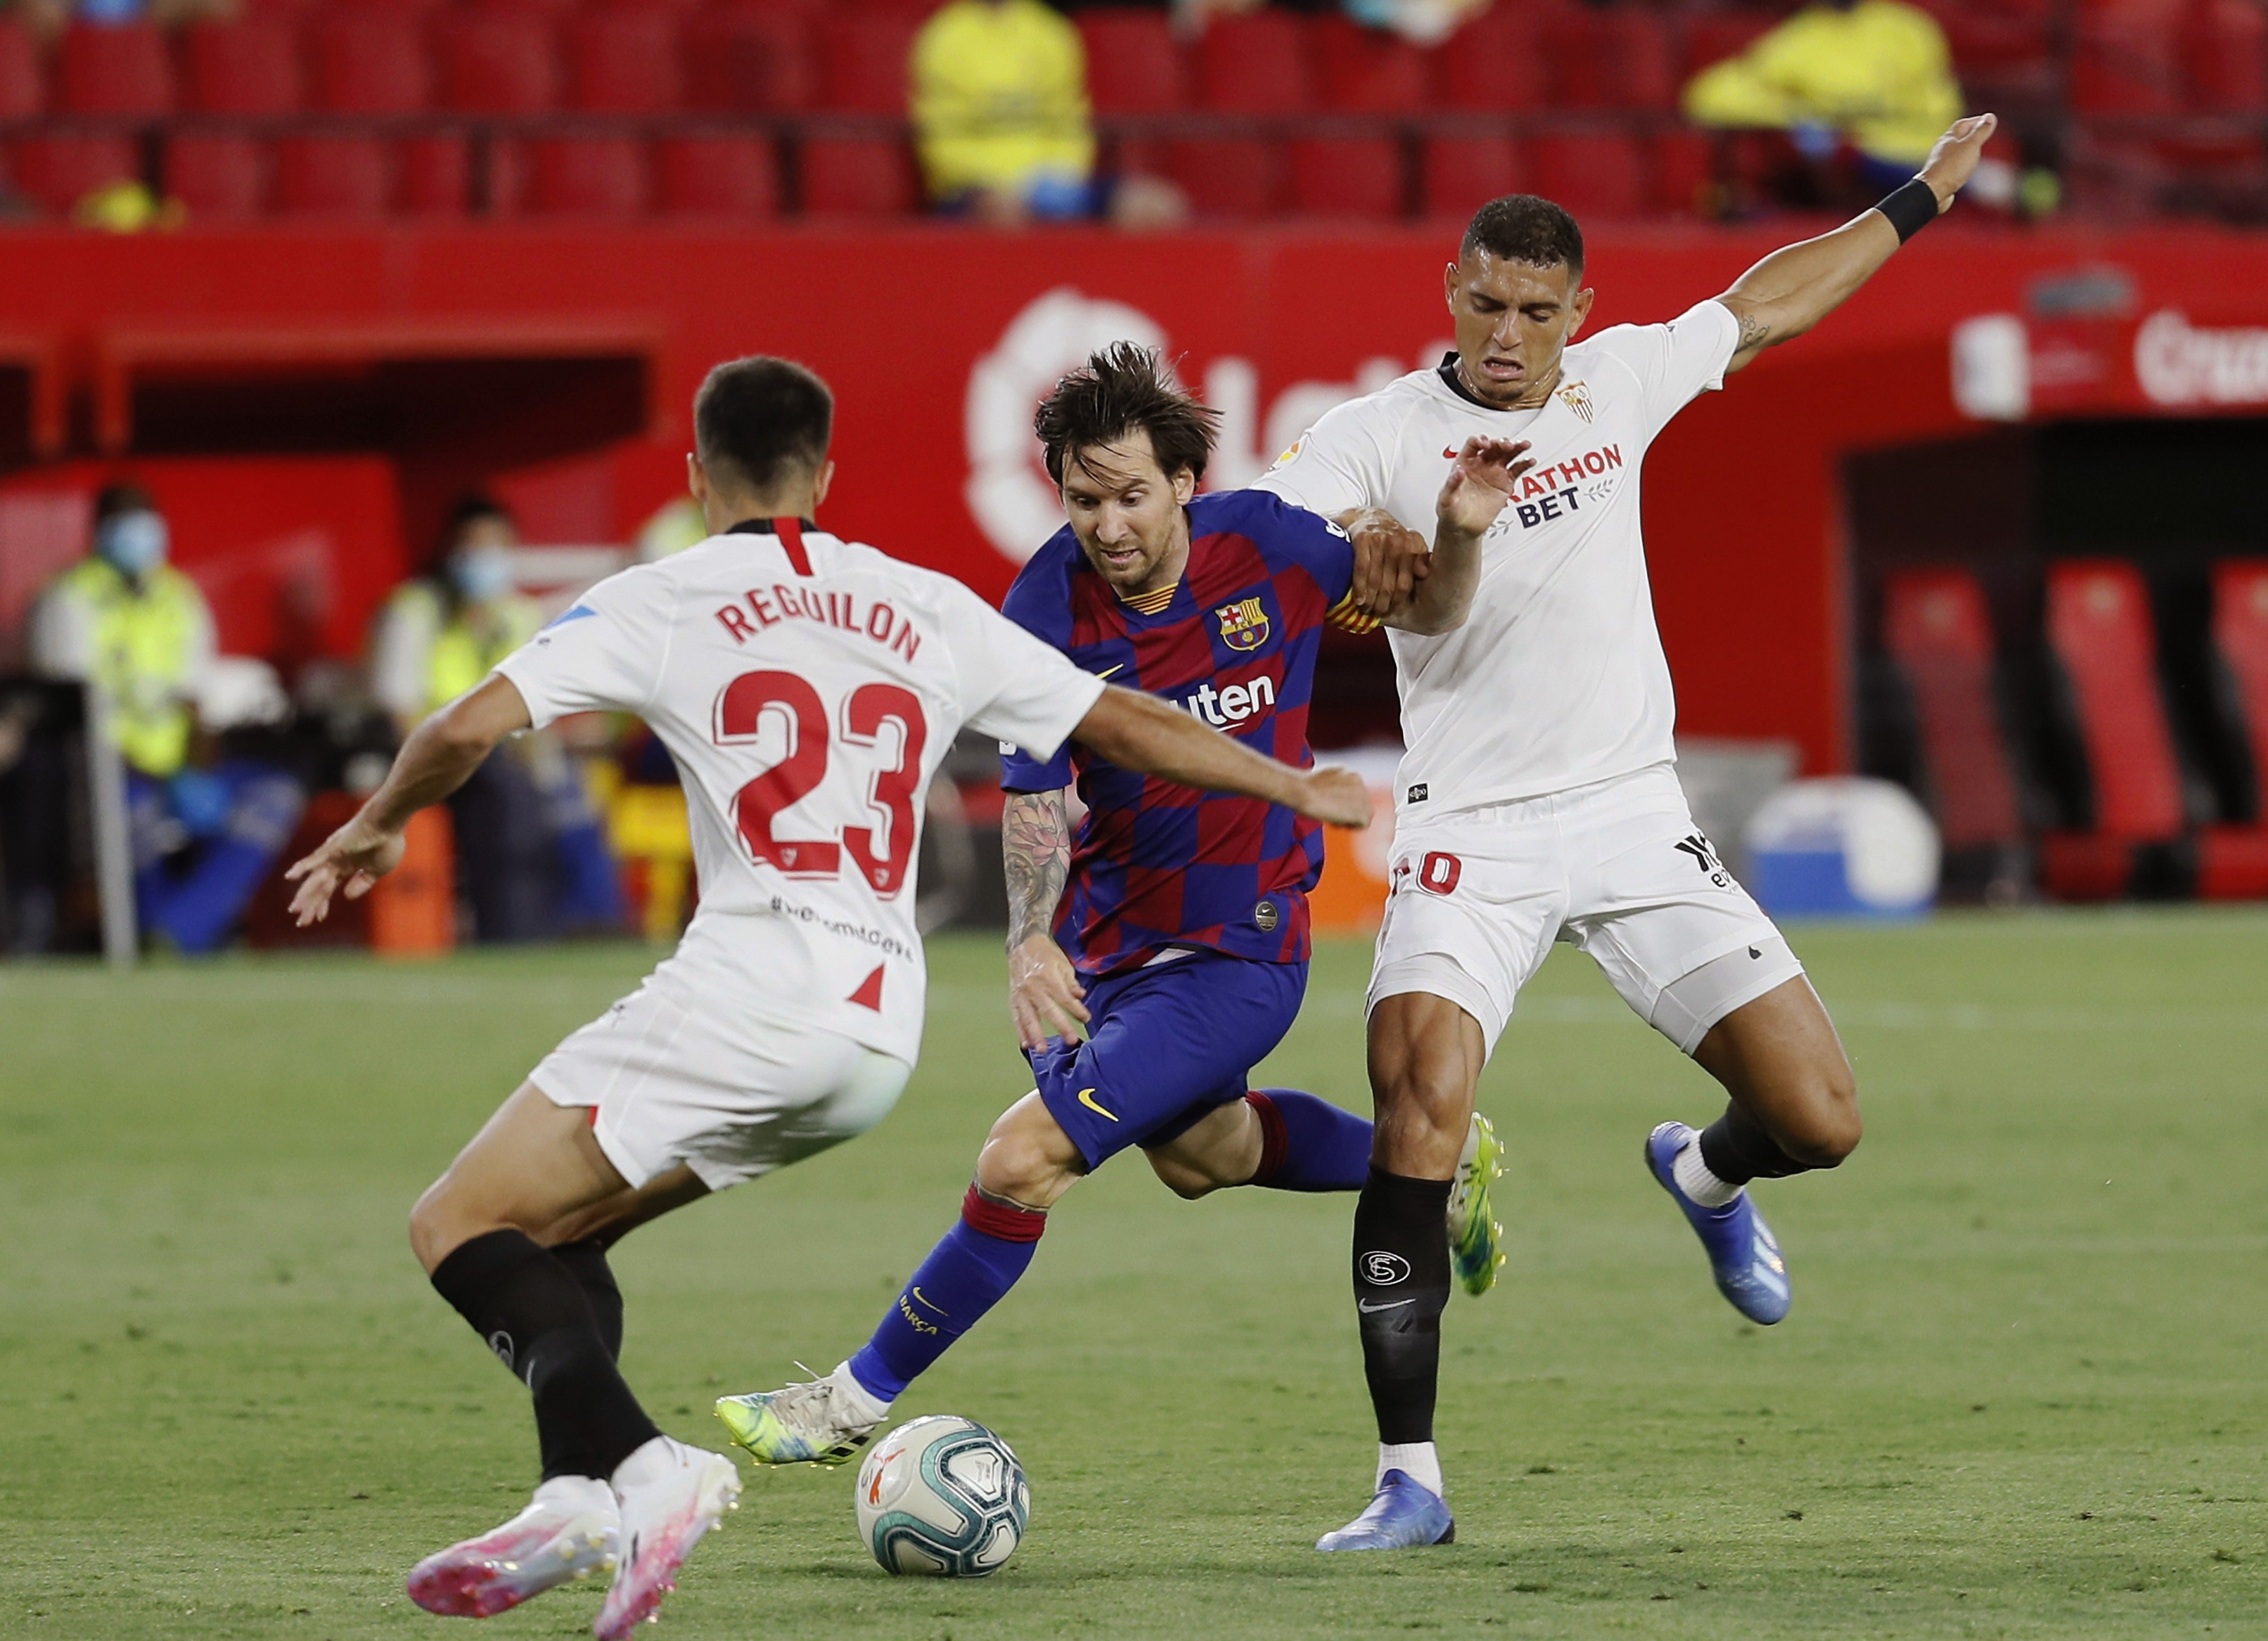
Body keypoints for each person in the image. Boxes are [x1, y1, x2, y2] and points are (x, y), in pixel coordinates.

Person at [283, 355, 1371, 1641]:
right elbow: (1121, 719)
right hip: (874, 1033)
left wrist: (371, 826)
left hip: (746, 992)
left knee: (454, 1220)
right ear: (830, 473)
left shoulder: (663, 595)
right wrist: (1291, 784)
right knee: (561, 1234)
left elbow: (464, 729)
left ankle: (649, 1467)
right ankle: (573, 1491)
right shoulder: (922, 600)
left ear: (696, 480)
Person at [1253, 115, 2001, 1549]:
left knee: (1822, 1121)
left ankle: (1704, 1170)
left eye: (1539, 309)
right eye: (1486, 301)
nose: (1510, 333)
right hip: (1471, 826)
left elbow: (1773, 296)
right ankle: (1407, 1475)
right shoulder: (1369, 437)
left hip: (1629, 809)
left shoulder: (1619, 382)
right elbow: (1378, 583)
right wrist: (1368, 542)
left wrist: (1917, 199)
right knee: (1418, 1113)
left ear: (1576, 313)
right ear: (1450, 292)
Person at [711, 346, 1527, 1466]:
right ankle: (1434, 1167)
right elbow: (1036, 795)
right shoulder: (1041, 602)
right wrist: (1030, 939)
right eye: (1083, 499)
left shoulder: (1270, 544)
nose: (1107, 525)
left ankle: (844, 1404)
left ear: (1184, 481)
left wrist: (1463, 531)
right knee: (1208, 1156)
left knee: (1019, 1160)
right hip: (1110, 945)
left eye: (1130, 494)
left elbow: (1427, 608)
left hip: (1239, 949)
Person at [27, 481, 302, 953]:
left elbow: (195, 696)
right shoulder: (70, 598)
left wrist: (196, 772)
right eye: (126, 524)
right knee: (138, 821)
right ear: (99, 531)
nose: (141, 539)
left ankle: (177, 932)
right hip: (104, 767)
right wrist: (145, 771)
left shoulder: (178, 596)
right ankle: (165, 937)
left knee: (273, 795)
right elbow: (68, 705)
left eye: (146, 524)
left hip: (174, 766)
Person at [370, 495, 616, 939]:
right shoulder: (417, 611)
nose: (486, 560)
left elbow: (539, 702)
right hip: (438, 755)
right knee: (508, 796)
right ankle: (510, 930)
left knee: (570, 796)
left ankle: (594, 921)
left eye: (496, 547)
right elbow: (398, 708)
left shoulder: (516, 614)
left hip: (503, 752)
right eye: (475, 548)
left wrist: (548, 764)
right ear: (451, 551)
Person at [1683, 0, 1962, 197]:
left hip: (1916, 154)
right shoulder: (1797, 38)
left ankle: (1977, 184)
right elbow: (1712, 96)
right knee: (1818, 143)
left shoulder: (1909, 29)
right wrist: (1800, 113)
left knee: (1950, 174)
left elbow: (1939, 107)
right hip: (1843, 160)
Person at [911, 0, 1098, 223]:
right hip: (973, 188)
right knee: (1005, 213)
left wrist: (1064, 176)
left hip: (1048, 184)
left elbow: (1069, 119)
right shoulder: (944, 36)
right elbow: (941, 134)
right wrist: (990, 186)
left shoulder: (1051, 30)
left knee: (1139, 205)